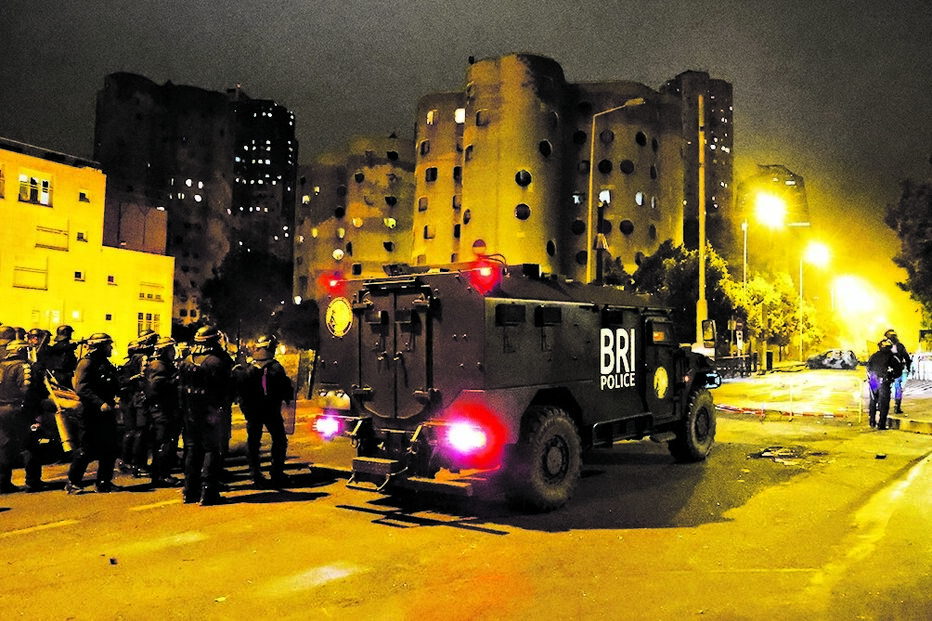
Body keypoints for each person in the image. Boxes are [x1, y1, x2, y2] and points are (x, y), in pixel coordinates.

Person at [178, 325, 233, 505]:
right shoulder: (219, 361)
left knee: (193, 450)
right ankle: (208, 493)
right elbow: (226, 389)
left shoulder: (187, 360)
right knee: (212, 449)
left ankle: (189, 491)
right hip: (211, 412)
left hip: (190, 412)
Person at [233, 335, 294, 488]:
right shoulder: (275, 367)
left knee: (253, 442)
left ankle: (255, 473)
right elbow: (285, 389)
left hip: (252, 412)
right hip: (270, 410)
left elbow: (240, 391)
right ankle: (276, 472)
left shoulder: (248, 367)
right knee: (279, 440)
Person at [66, 332, 122, 494]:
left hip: (106, 411)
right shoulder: (87, 363)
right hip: (91, 412)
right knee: (87, 448)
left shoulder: (104, 363)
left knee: (109, 448)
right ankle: (73, 482)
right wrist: (100, 403)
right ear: (99, 347)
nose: (110, 348)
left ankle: (104, 482)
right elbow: (82, 388)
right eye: (108, 345)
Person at [0, 339, 47, 493]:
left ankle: (3, 482)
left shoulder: (1, 366)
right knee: (31, 444)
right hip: (18, 410)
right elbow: (27, 391)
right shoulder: (24, 366)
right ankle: (33, 482)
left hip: (1, 409)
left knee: (5, 446)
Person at [118, 330, 158, 477]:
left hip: (127, 399)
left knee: (130, 432)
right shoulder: (144, 358)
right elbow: (145, 379)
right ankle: (137, 464)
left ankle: (126, 461)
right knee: (141, 432)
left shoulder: (130, 359)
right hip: (138, 398)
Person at [144, 337, 183, 487]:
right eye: (171, 349)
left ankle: (161, 474)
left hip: (163, 408)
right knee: (164, 442)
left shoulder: (162, 364)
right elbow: (157, 387)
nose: (174, 352)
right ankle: (161, 475)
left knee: (165, 442)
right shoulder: (159, 366)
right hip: (162, 409)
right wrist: (177, 379)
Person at [866, 338, 903, 431]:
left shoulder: (874, 356)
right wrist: (891, 377)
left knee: (873, 401)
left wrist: (871, 377)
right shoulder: (892, 357)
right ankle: (881, 424)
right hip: (884, 382)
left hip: (873, 381)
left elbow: (868, 367)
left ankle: (872, 421)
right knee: (884, 403)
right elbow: (898, 370)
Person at [883, 329, 912, 414]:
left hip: (887, 371)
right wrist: (908, 368)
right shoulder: (899, 346)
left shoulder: (885, 346)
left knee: (884, 387)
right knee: (897, 388)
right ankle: (897, 406)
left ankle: (881, 405)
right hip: (897, 371)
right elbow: (907, 358)